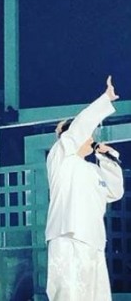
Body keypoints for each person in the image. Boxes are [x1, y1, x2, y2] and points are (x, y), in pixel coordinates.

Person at [45, 75, 124, 301]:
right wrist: (105, 99)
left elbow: (115, 191)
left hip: (94, 241)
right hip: (68, 236)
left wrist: (108, 159)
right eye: (87, 133)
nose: (90, 137)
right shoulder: (60, 157)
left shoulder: (92, 170)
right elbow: (79, 127)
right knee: (69, 295)